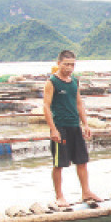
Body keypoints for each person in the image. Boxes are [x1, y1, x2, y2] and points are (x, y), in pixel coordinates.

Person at [42, 50, 101, 207]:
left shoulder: (74, 81)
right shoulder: (52, 82)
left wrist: (85, 124)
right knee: (59, 164)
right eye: (66, 64)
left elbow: (79, 103)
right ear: (59, 63)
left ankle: (86, 192)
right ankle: (59, 197)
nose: (69, 67)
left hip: (75, 126)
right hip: (60, 127)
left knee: (82, 161)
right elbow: (46, 107)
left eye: (72, 65)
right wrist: (53, 129)